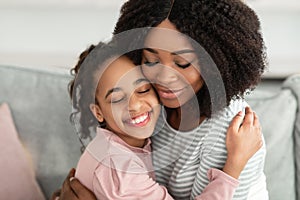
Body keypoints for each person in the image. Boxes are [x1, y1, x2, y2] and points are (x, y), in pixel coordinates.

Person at [53, 0, 268, 199]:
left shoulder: (234, 134)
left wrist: (233, 167)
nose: (164, 78)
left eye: (182, 63)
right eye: (151, 60)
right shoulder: (151, 107)